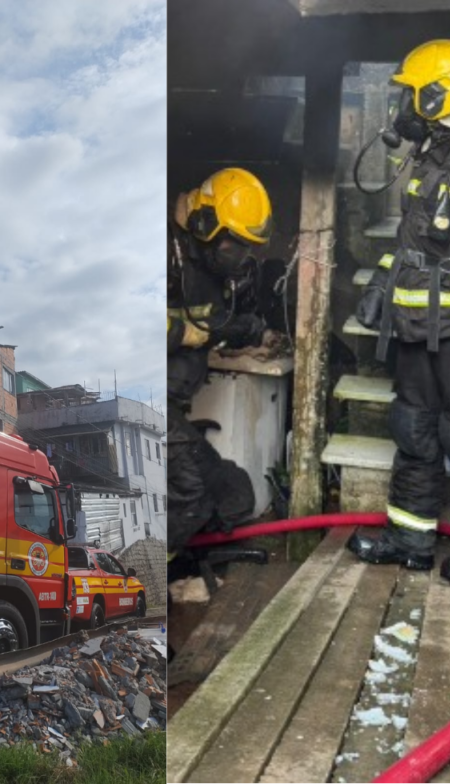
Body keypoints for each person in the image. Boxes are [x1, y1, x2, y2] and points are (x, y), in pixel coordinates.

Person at [347, 39, 450, 586]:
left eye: (409, 95)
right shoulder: (428, 153)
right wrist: (382, 285)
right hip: (412, 327)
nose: (401, 108)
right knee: (413, 430)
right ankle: (410, 537)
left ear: (436, 95)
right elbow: (412, 242)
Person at [167, 167, 272, 554]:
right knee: (189, 491)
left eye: (246, 248)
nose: (239, 257)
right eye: (233, 246)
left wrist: (248, 336)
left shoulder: (211, 265)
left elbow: (214, 321)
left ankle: (180, 559)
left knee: (235, 495)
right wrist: (184, 334)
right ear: (204, 222)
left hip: (174, 408)